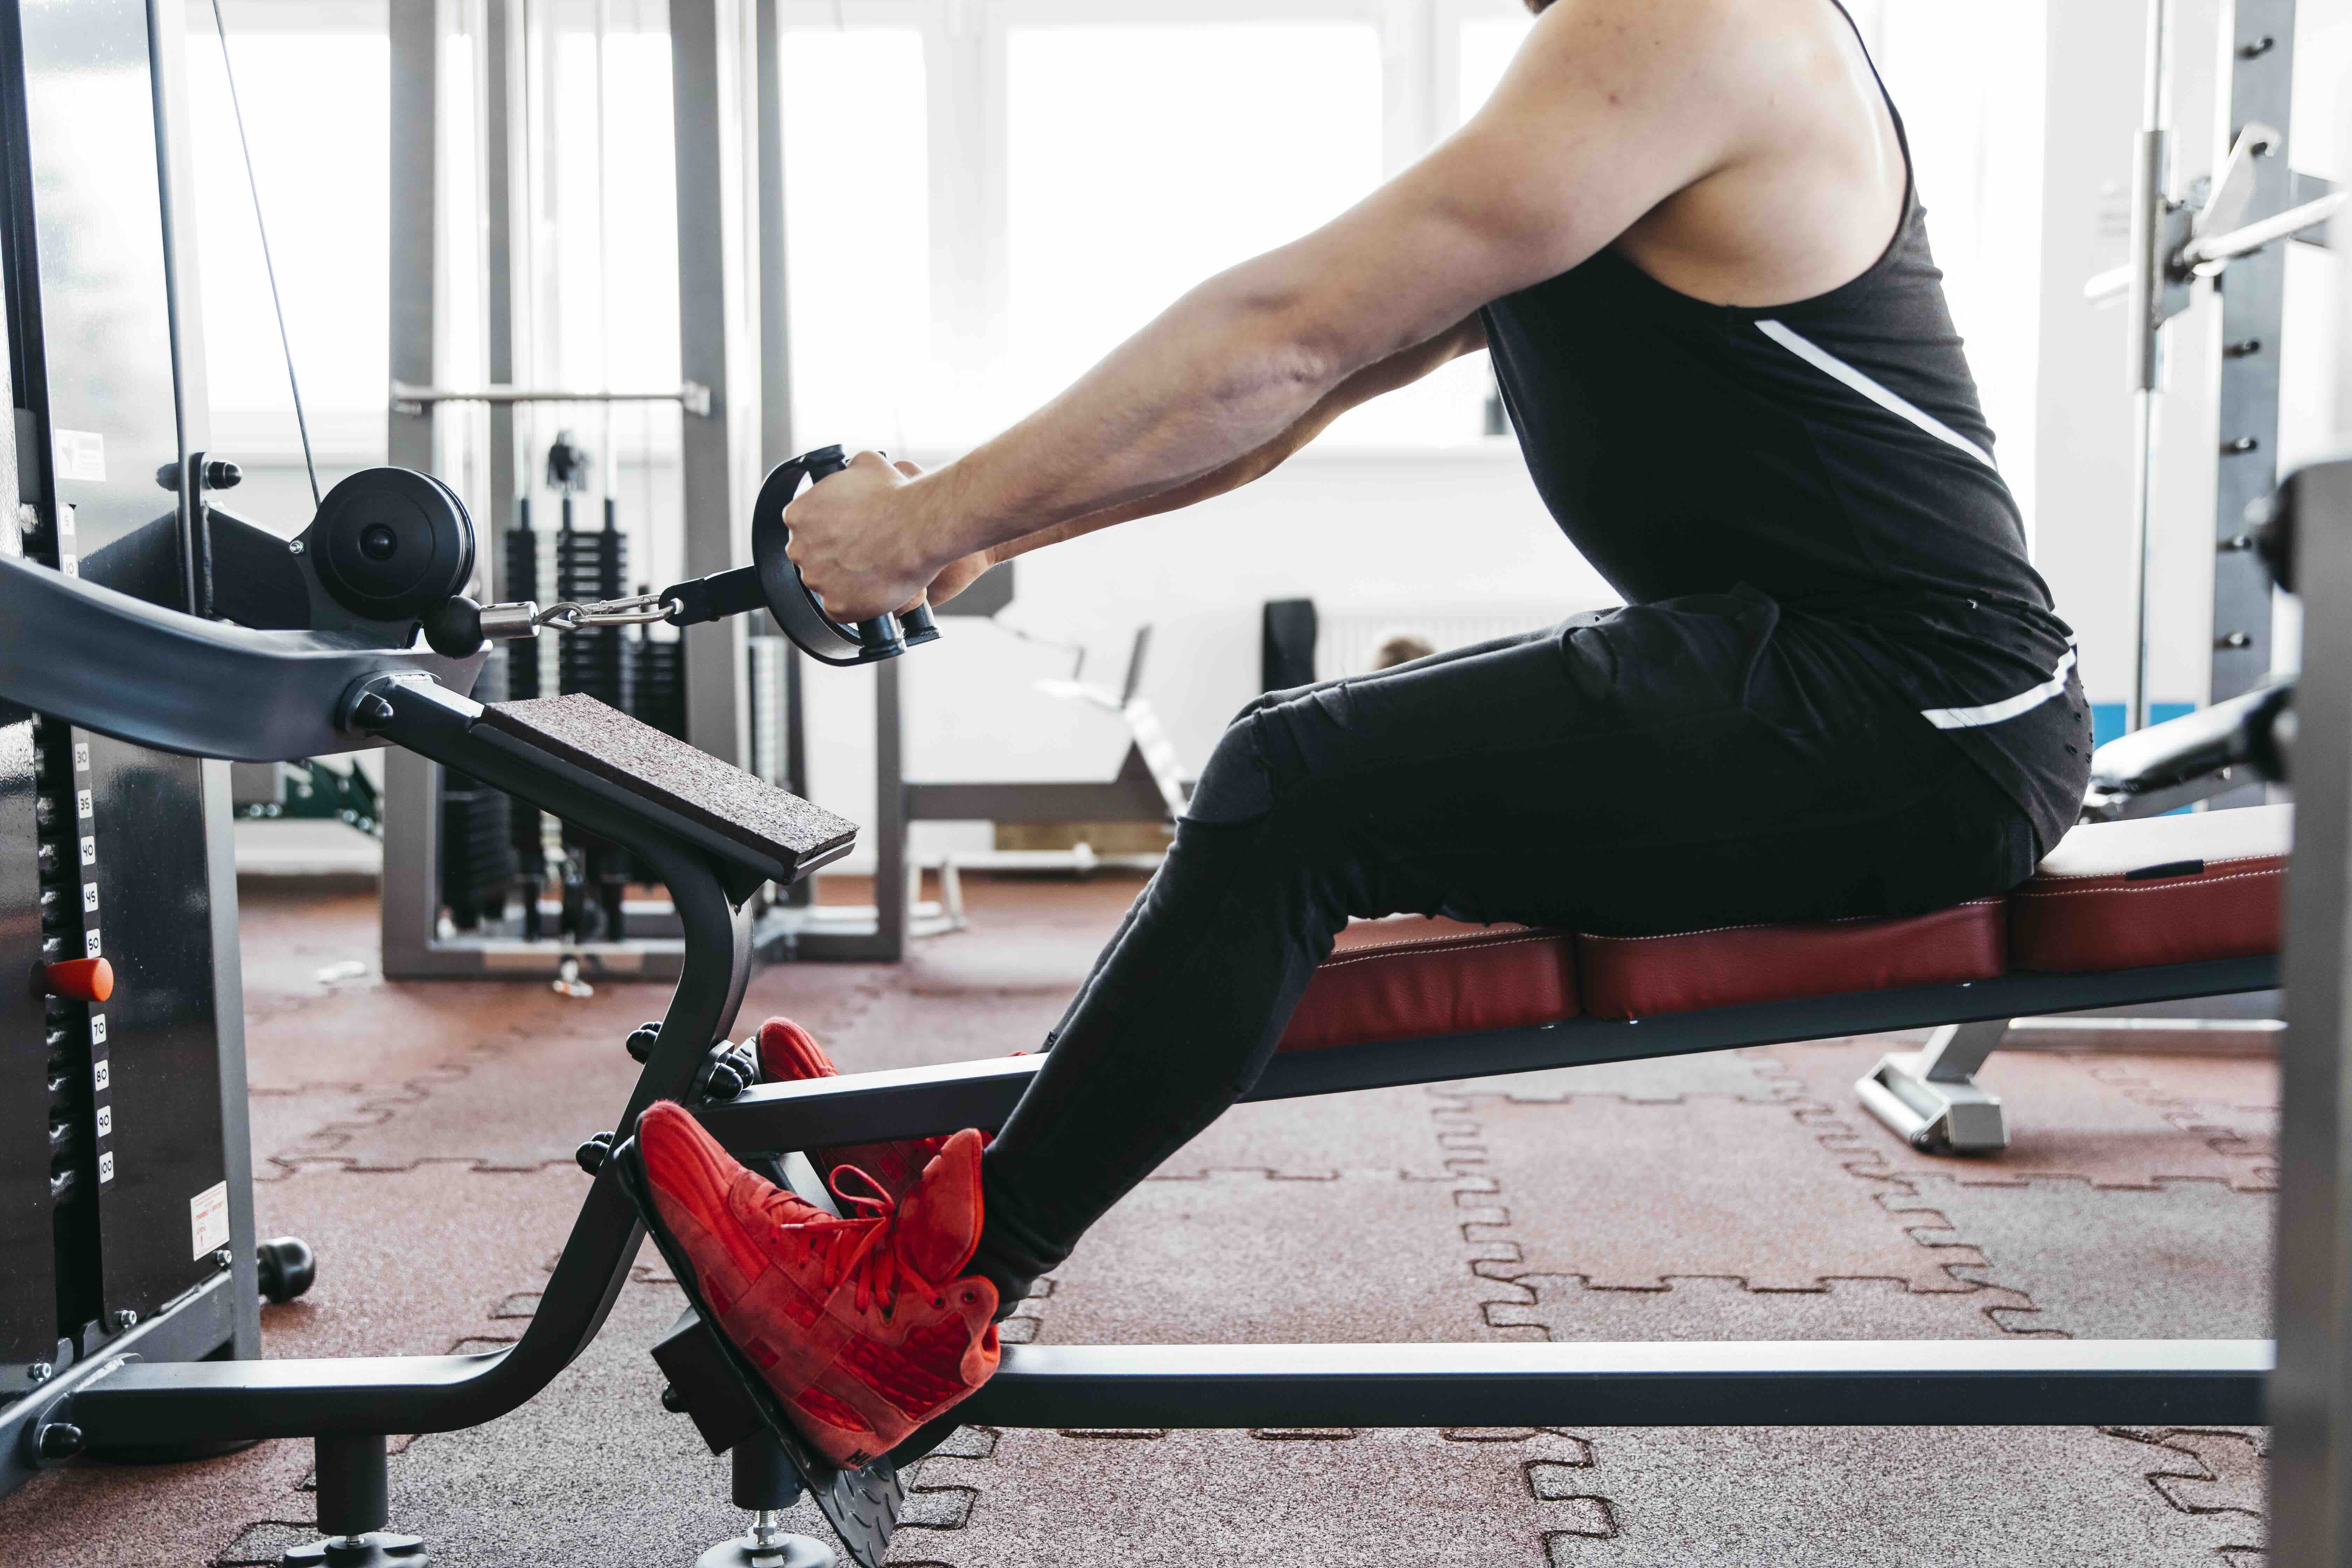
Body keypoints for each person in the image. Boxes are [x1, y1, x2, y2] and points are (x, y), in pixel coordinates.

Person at [625, 0, 2094, 1469]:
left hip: (1919, 711)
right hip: (1846, 684)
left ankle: (922, 1302)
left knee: (1297, 785)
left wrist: (931, 522)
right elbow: (1298, 387)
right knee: (1297, 777)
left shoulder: (1676, 22)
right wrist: (966, 530)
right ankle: (973, 1195)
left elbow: (1285, 334)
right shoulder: (1606, 63)